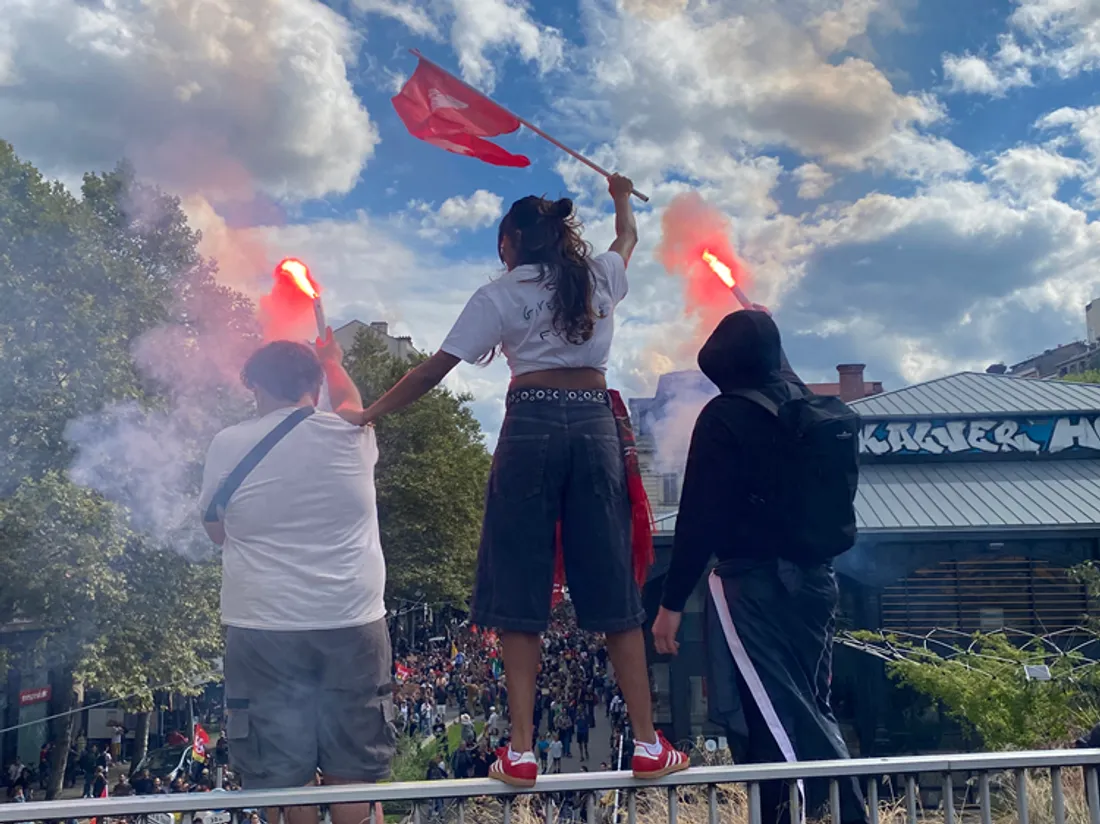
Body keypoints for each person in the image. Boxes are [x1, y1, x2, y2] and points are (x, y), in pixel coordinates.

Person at [340, 174, 688, 788]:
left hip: (530, 425)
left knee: (520, 577)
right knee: (612, 579)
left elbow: (432, 371)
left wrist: (368, 413)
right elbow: (627, 238)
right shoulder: (600, 276)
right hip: (595, 424)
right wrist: (620, 197)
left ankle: (521, 750)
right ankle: (646, 742)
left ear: (510, 242)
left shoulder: (498, 295)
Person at [650, 310, 867, 824]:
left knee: (770, 713)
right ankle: (829, 809)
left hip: (753, 585)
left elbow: (699, 516)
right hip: (817, 582)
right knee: (810, 704)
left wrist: (671, 604)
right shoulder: (811, 410)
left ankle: (831, 814)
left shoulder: (724, 416)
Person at [200, 334, 393, 824]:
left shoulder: (228, 444)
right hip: (353, 619)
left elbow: (217, 531)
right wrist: (334, 361)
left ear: (256, 386)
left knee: (282, 776)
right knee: (354, 771)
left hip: (263, 626)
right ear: (315, 386)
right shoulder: (352, 433)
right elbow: (352, 403)